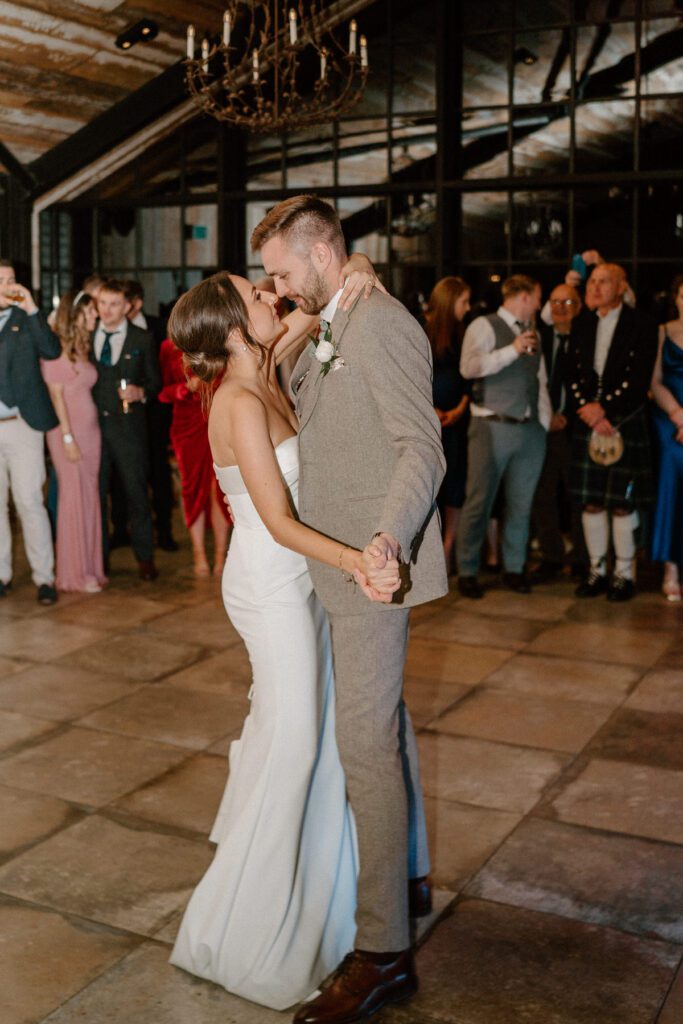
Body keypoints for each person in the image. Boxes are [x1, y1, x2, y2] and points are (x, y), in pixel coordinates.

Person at [167, 255, 402, 1011]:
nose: (270, 295)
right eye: (253, 293)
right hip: (268, 587)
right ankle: (245, 929)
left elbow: (321, 307)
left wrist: (357, 267)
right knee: (296, 744)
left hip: (295, 582)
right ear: (235, 326)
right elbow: (276, 521)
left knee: (289, 738)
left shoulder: (265, 357)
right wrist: (359, 563)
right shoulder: (235, 397)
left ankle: (312, 902)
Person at [253, 196, 447, 1024]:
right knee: (384, 725)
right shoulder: (335, 311)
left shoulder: (378, 321)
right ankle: (406, 878)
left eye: (281, 270)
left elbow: (421, 444)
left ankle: (381, 952)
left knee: (362, 744)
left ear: (324, 252)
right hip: (336, 566)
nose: (275, 283)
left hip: (370, 567)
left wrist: (385, 543)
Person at [456, 275, 551, 599]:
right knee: (479, 502)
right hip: (490, 427)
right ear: (523, 296)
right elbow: (468, 368)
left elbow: (539, 380)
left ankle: (515, 568)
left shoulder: (534, 332)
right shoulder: (484, 325)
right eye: (537, 297)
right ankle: (468, 571)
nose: (540, 305)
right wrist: (511, 350)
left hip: (530, 430)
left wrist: (544, 424)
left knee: (521, 505)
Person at [567, 263, 658, 602]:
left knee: (623, 503)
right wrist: (588, 410)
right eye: (592, 281)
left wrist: (604, 409)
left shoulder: (643, 324)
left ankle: (624, 573)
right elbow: (571, 372)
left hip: (624, 419)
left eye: (604, 281)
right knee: (591, 503)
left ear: (621, 287)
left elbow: (639, 378)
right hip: (589, 420)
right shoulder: (582, 322)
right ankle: (596, 571)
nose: (596, 287)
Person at [91, 278, 161, 581]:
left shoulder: (142, 338)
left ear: (128, 306)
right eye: (102, 303)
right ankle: (98, 559)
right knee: (95, 496)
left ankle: (145, 557)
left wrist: (140, 392)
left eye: (114, 304)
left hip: (129, 428)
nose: (107, 310)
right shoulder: (85, 334)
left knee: (136, 493)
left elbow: (156, 383)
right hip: (91, 427)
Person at [0, 259, 60, 605]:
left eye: (12, 279)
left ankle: (44, 578)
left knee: (29, 501)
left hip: (24, 426)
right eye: (1, 280)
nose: (8, 284)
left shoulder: (27, 318)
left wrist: (33, 307)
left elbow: (52, 350)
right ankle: (2, 573)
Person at [42, 291, 107, 593]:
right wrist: (68, 437)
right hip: (67, 433)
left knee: (89, 497)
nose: (96, 315)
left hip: (91, 432)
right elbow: (56, 396)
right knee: (72, 498)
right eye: (91, 311)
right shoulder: (57, 349)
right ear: (77, 314)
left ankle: (92, 567)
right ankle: (74, 573)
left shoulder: (83, 346)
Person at [158, 337, 231, 576]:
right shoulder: (168, 348)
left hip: (217, 417)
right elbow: (162, 391)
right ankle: (199, 553)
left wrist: (209, 381)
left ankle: (221, 555)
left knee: (218, 488)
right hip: (186, 425)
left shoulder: (217, 341)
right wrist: (184, 388)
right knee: (191, 488)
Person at [531, 283, 588, 582]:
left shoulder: (587, 337)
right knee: (544, 494)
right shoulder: (542, 338)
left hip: (578, 428)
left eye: (567, 301)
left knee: (578, 495)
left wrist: (569, 415)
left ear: (579, 307)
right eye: (554, 302)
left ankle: (582, 558)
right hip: (544, 427)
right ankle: (551, 556)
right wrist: (548, 416)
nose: (560, 307)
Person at [124, 279, 177, 552]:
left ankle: (165, 531)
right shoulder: (116, 331)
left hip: (155, 413)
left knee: (159, 474)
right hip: (127, 416)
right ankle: (123, 530)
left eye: (126, 303)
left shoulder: (158, 328)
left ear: (137, 303)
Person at [425, 276, 471, 573]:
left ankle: (447, 550)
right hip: (429, 423)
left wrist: (458, 409)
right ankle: (429, 554)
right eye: (464, 301)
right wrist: (432, 411)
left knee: (456, 487)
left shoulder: (464, 332)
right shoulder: (422, 328)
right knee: (432, 488)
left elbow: (470, 379)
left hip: (457, 422)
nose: (467, 307)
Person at [650, 273, 683, 601]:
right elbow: (655, 380)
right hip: (669, 419)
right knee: (671, 482)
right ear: (676, 298)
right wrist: (678, 415)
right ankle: (670, 566)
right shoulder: (662, 332)